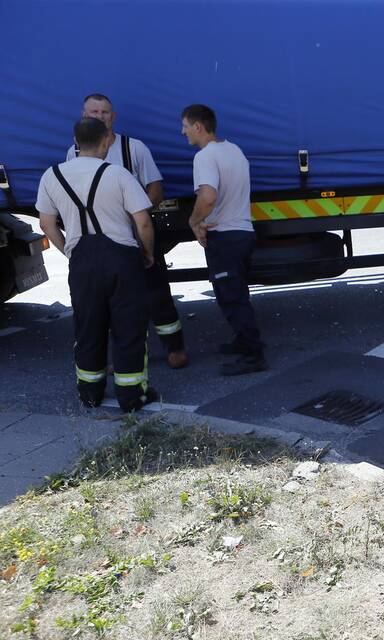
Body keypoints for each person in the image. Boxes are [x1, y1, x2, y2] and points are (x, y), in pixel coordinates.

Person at [38, 117, 159, 412]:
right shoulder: (118, 174)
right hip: (122, 259)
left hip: (82, 258)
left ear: (76, 143)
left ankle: (90, 392)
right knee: (128, 327)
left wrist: (69, 252)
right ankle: (132, 396)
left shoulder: (52, 176)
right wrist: (147, 252)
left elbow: (46, 223)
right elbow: (142, 221)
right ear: (106, 141)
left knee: (88, 326)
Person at [68, 93, 188, 369]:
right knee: (111, 301)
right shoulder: (72, 153)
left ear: (114, 117)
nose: (99, 116)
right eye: (94, 112)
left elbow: (156, 188)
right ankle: (122, 358)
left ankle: (175, 348)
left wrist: (135, 211)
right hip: (99, 238)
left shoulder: (133, 148)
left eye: (105, 112)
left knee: (156, 291)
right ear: (84, 116)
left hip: (136, 231)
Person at [181, 103, 267, 376]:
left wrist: (194, 222)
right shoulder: (234, 150)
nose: (182, 132)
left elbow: (208, 196)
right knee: (238, 292)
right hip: (242, 232)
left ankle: (254, 356)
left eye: (185, 126)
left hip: (225, 237)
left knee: (232, 298)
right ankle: (243, 342)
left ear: (198, 126)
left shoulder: (205, 157)